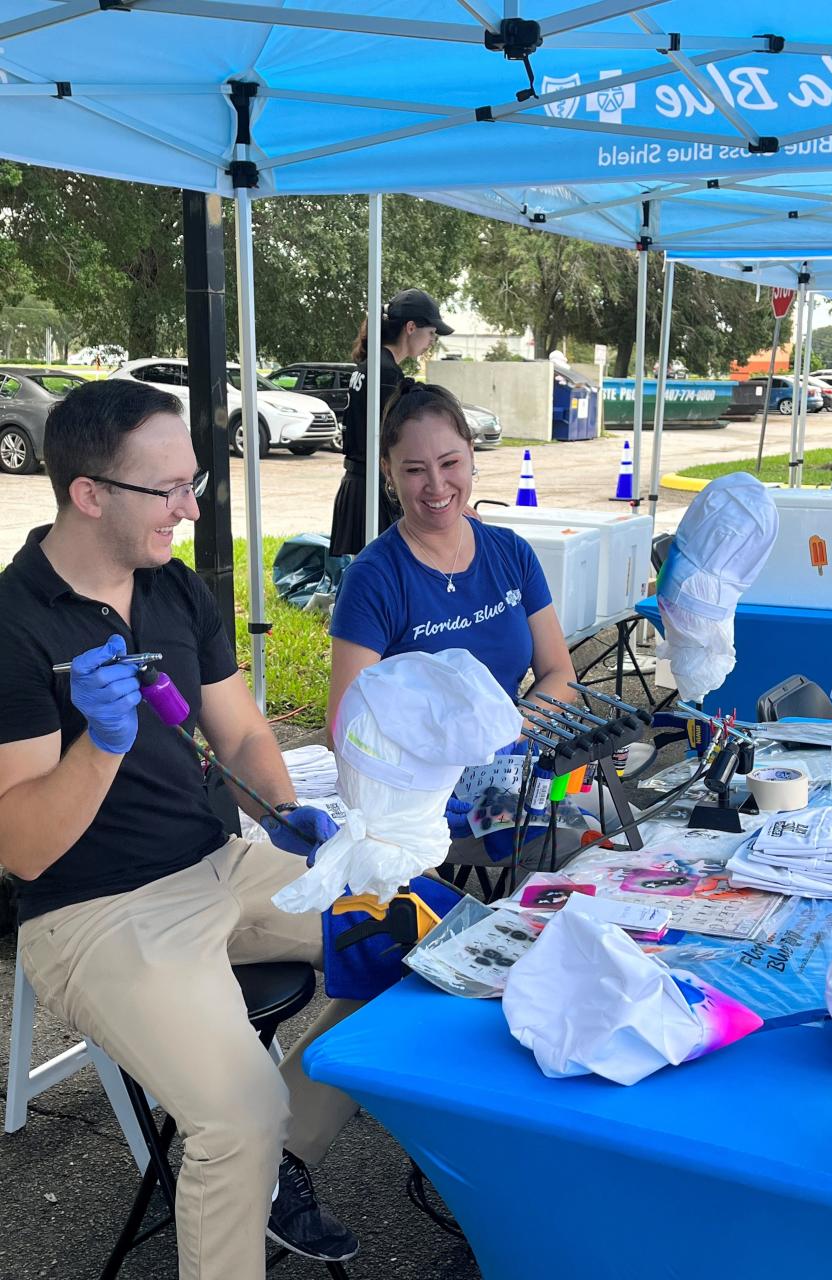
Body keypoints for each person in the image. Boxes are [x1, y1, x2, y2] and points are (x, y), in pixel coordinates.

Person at [0, 379, 360, 1279]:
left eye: (193, 482)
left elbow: (237, 731)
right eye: (167, 489)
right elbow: (23, 848)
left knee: (411, 939)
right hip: (92, 909)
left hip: (218, 859)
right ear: (89, 493)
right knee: (234, 1115)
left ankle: (282, 1168)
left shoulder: (175, 590)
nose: (190, 507)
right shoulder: (13, 624)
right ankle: (253, 1153)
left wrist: (284, 819)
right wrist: (100, 746)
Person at [326, 378, 576, 752]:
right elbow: (344, 727)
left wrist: (507, 733)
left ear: (471, 455)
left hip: (508, 762)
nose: (437, 485)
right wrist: (444, 755)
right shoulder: (373, 579)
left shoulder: (511, 553)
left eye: (450, 462)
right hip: (418, 788)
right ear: (388, 471)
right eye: (414, 470)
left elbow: (560, 674)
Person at [328, 289, 453, 557]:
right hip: (372, 491)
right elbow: (395, 442)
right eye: (431, 332)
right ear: (411, 327)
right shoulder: (385, 373)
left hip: (359, 485)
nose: (432, 340)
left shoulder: (371, 365)